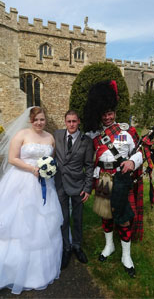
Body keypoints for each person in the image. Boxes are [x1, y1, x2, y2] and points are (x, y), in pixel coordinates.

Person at [0, 107, 63, 294]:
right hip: (21, 181)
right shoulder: (21, 135)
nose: (39, 123)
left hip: (43, 184)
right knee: (13, 222)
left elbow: (51, 159)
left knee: (39, 223)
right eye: (36, 120)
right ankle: (5, 270)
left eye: (42, 119)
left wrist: (46, 170)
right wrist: (32, 169)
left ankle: (35, 272)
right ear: (30, 121)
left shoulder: (50, 138)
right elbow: (12, 158)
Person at [83, 80, 143, 278]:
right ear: (99, 114)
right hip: (103, 178)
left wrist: (132, 163)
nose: (108, 117)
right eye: (104, 114)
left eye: (110, 113)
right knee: (105, 214)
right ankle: (109, 246)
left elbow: (139, 153)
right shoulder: (94, 135)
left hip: (121, 179)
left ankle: (127, 256)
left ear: (115, 113)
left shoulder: (126, 132)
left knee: (124, 218)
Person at [54, 110, 94, 269]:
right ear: (65, 122)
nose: (71, 124)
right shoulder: (57, 135)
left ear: (79, 122)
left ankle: (77, 245)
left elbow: (89, 166)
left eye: (74, 121)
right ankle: (66, 247)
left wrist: (88, 188)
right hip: (60, 184)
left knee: (77, 218)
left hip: (78, 185)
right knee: (63, 218)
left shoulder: (86, 141)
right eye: (68, 121)